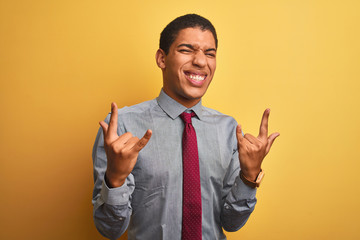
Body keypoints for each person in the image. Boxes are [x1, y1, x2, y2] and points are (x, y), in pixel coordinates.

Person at [92, 14, 279, 240]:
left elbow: (232, 223)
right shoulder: (121, 126)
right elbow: (110, 229)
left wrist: (249, 177)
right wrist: (115, 178)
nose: (201, 61)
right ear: (162, 59)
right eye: (186, 50)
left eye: (210, 53)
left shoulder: (229, 129)